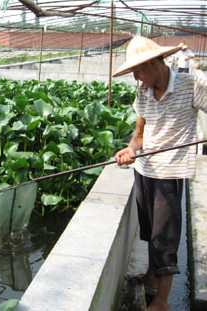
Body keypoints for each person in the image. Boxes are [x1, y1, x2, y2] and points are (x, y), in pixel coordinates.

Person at [112, 36, 207, 311]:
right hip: (144, 170)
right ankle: (153, 280)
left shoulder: (191, 86)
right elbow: (139, 135)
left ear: (155, 63)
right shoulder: (143, 91)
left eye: (138, 71)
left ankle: (162, 302)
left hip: (170, 174)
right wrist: (129, 151)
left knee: (164, 238)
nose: (136, 78)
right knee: (149, 231)